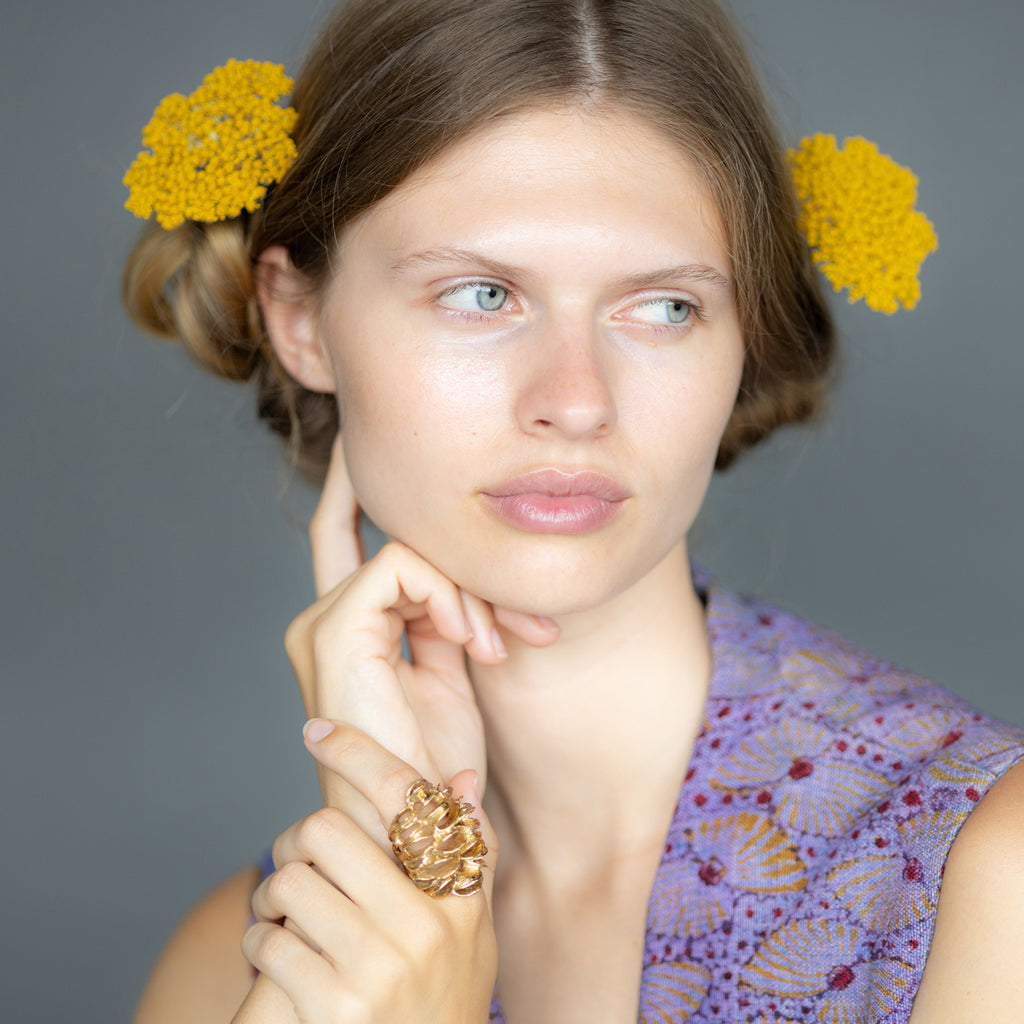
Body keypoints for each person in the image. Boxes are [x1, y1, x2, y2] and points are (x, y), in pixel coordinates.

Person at [121, 0, 1024, 1021]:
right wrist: (404, 856)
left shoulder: (988, 879)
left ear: (742, 339)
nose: (577, 400)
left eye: (665, 307)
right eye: (480, 294)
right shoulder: (239, 972)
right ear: (299, 320)